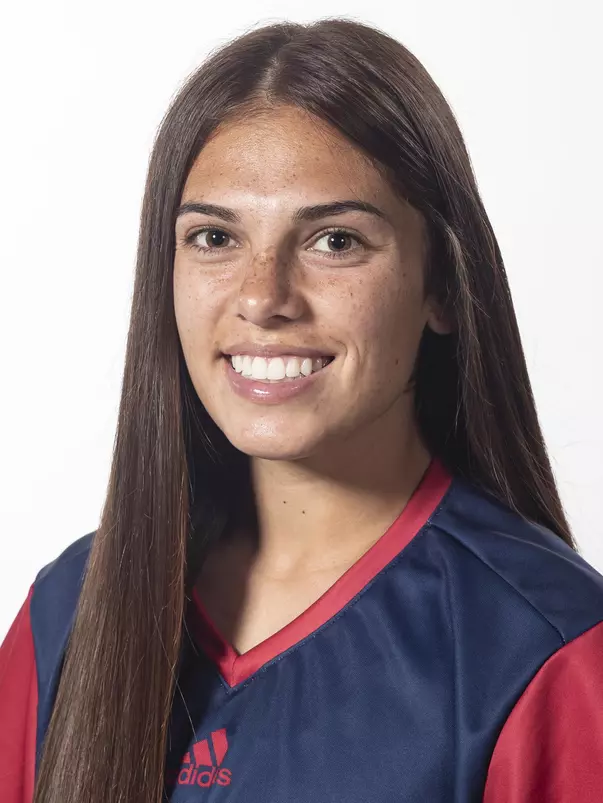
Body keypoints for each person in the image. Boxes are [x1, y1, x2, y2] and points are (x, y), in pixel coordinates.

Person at [1, 16, 602, 803]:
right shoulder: (68, 611)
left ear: (443, 287)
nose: (262, 296)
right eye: (214, 237)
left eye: (335, 241)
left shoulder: (547, 653)